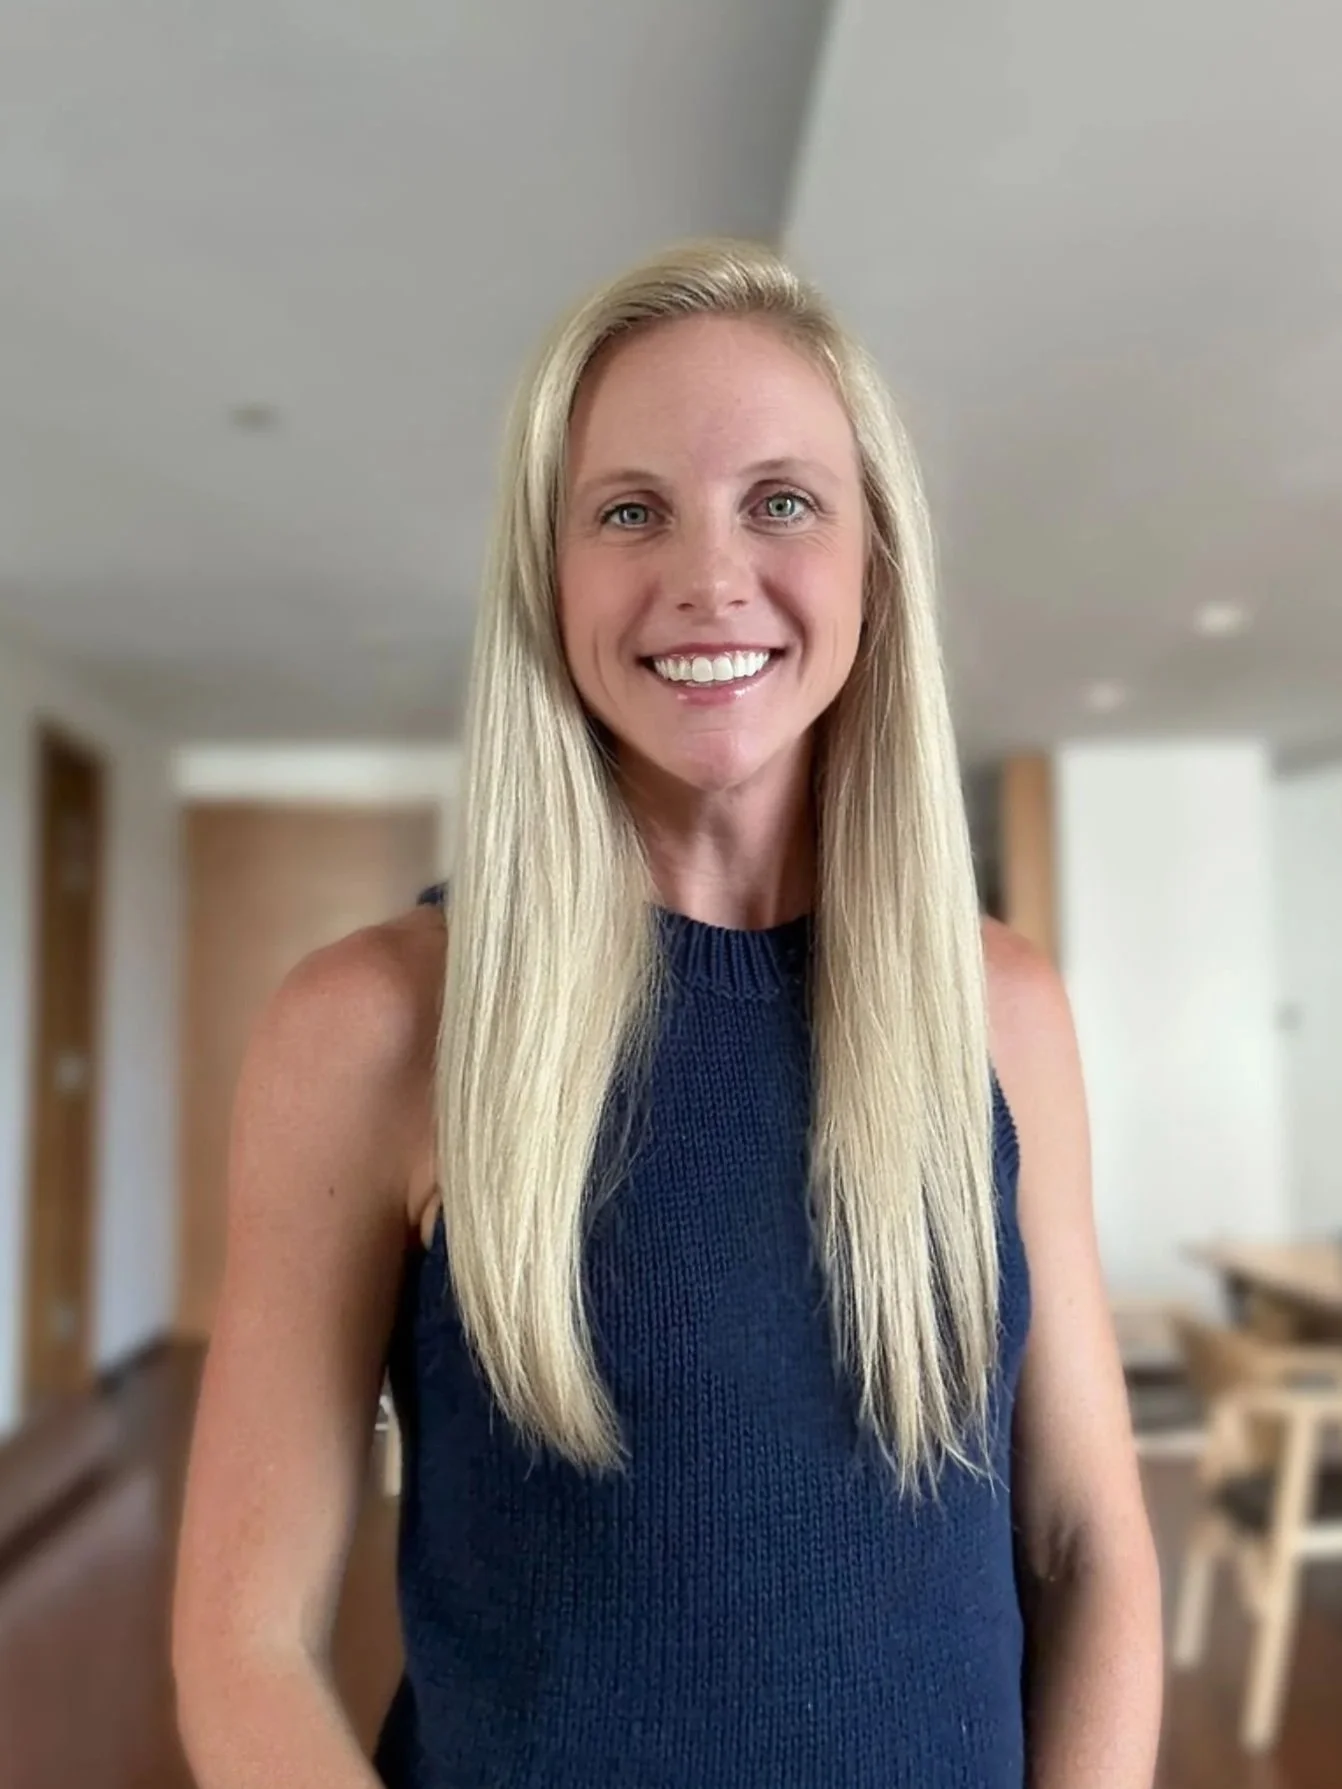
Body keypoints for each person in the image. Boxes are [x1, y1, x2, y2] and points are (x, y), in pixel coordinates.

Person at [172, 240, 1163, 1788]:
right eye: (628, 511)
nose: (708, 579)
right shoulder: (371, 1028)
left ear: (872, 562)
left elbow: (1083, 1538)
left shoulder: (1003, 1009)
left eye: (781, 502)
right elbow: (244, 1644)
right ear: (547, 576)